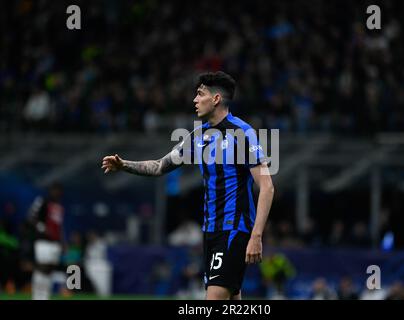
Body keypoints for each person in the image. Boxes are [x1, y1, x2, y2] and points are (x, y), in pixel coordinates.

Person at [102, 71, 275, 300]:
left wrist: (256, 236)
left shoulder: (242, 133)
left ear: (215, 99)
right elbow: (160, 166)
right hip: (210, 231)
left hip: (233, 230)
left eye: (200, 94)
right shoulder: (199, 136)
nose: (194, 100)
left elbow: (267, 186)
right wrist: (124, 165)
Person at [28, 182, 65, 300]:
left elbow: (59, 226)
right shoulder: (43, 201)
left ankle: (44, 296)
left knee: (49, 269)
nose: (57, 193)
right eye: (55, 190)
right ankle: (37, 296)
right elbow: (31, 216)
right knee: (42, 268)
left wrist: (62, 241)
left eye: (59, 191)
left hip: (55, 242)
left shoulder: (59, 206)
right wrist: (42, 228)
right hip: (43, 241)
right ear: (51, 190)